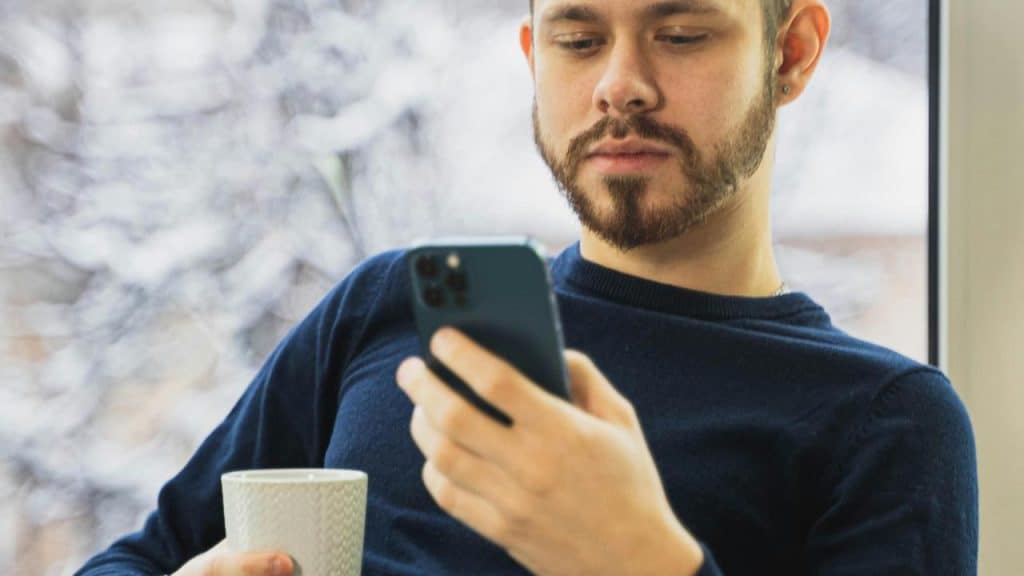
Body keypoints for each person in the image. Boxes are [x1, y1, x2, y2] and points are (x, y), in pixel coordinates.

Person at [77, 0, 978, 574]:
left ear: (792, 53)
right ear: (532, 56)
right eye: (579, 40)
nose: (619, 85)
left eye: (682, 33)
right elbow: (137, 560)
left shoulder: (885, 422)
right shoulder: (389, 308)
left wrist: (639, 562)